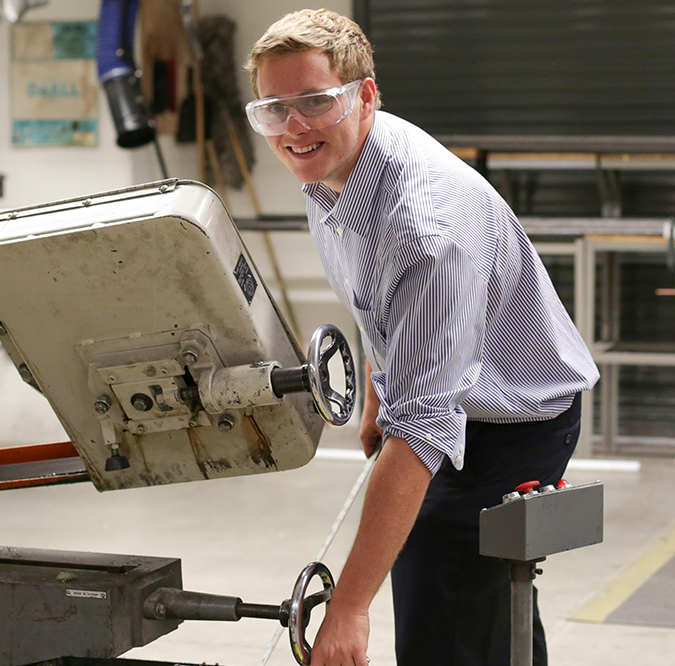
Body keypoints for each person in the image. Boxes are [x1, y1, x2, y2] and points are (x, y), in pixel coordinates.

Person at [245, 10, 598, 666]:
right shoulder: (329, 169)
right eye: (274, 108)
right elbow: (380, 297)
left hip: (515, 417)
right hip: (456, 399)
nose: (293, 128)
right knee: (481, 602)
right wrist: (384, 379)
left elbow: (424, 430)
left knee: (440, 591)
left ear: (365, 96)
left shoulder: (426, 227)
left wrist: (349, 609)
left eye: (316, 102)